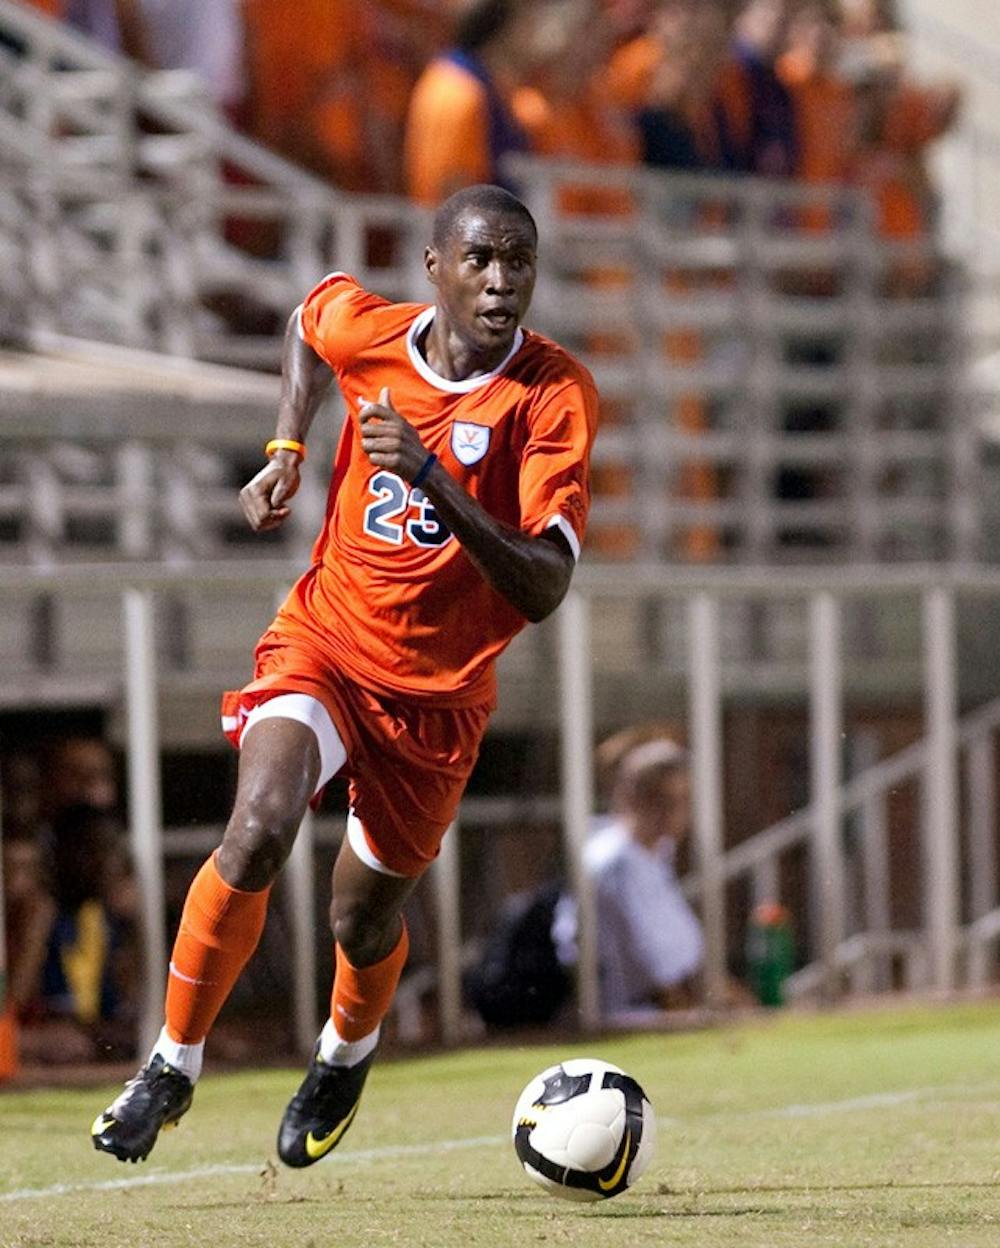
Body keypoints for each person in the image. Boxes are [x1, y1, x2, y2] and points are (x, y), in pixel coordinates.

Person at [91, 182, 598, 1166]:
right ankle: (169, 1065)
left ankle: (344, 1051)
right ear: (435, 270)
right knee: (260, 824)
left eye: (519, 263)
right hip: (324, 640)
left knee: (358, 920)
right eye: (481, 261)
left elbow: (544, 584)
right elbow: (306, 321)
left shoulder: (551, 395)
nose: (501, 283)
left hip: (438, 698)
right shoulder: (371, 331)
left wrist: (433, 478)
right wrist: (285, 447)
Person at [554, 737, 704, 1018]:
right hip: (632, 1015)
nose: (673, 813)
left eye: (683, 801)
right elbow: (650, 967)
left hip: (669, 1006)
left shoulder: (658, 852)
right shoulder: (614, 862)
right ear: (632, 797)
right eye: (661, 800)